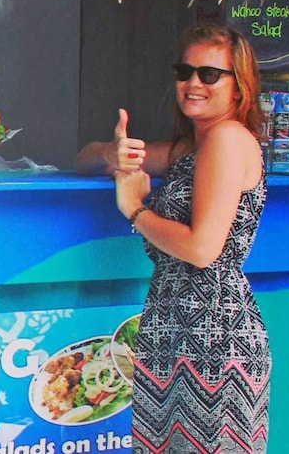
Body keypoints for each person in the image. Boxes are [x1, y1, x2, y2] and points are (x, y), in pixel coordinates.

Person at [75, 24, 270, 453]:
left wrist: (136, 210)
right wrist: (111, 153)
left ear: (239, 87)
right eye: (185, 71)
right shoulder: (190, 149)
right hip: (171, 329)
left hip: (213, 335)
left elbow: (202, 249)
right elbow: (85, 158)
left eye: (209, 74)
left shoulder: (226, 138)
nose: (193, 83)